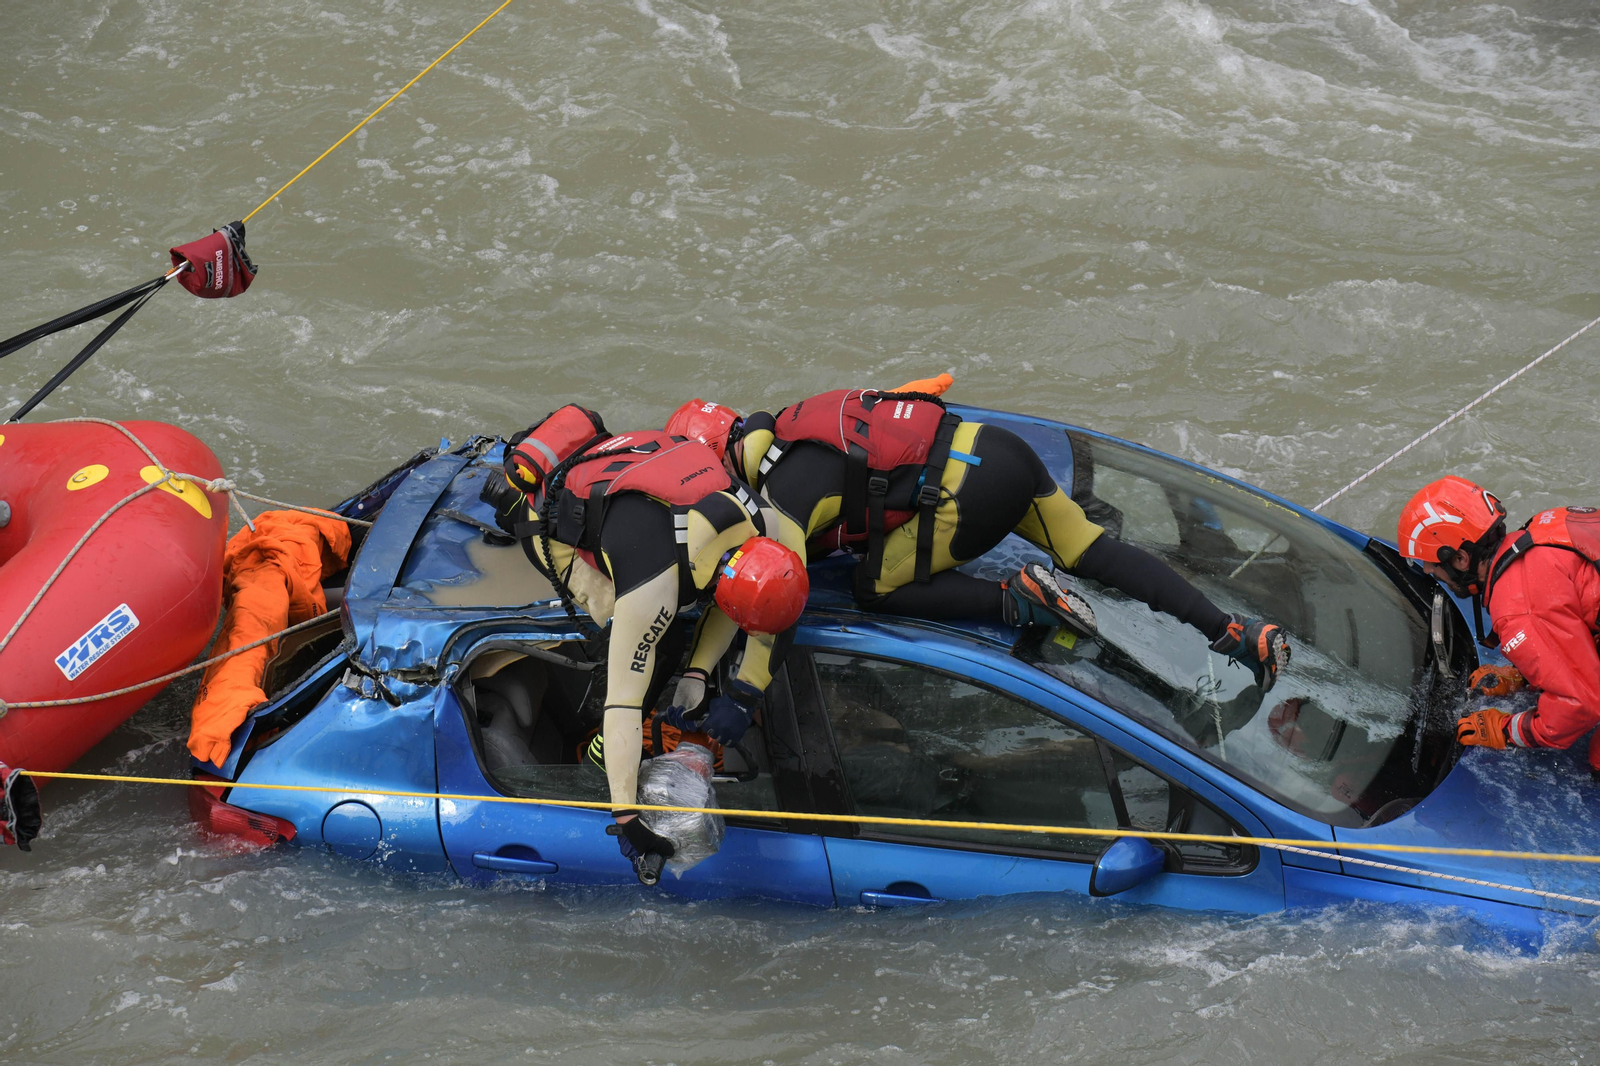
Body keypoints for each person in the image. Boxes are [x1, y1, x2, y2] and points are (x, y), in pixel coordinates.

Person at [662, 383, 1290, 692]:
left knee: (872, 586)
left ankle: (1018, 600)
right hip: (996, 450)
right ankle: (1231, 632)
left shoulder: (783, 497)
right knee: (1093, 552)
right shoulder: (802, 420)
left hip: (962, 497)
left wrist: (739, 695)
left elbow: (781, 606)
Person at [490, 408, 810, 876]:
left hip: (636, 469)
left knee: (674, 638)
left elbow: (728, 602)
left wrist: (699, 674)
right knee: (644, 643)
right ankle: (514, 508)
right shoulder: (651, 587)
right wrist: (626, 818)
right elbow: (622, 704)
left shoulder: (766, 526)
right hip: (560, 519)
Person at [1397, 476, 1600, 777]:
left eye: (1431, 563)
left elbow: (1581, 705)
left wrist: (1505, 730)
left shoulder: (1518, 610)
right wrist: (1529, 673)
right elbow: (1574, 612)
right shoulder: (1545, 528)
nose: (1427, 570)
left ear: (1461, 558)